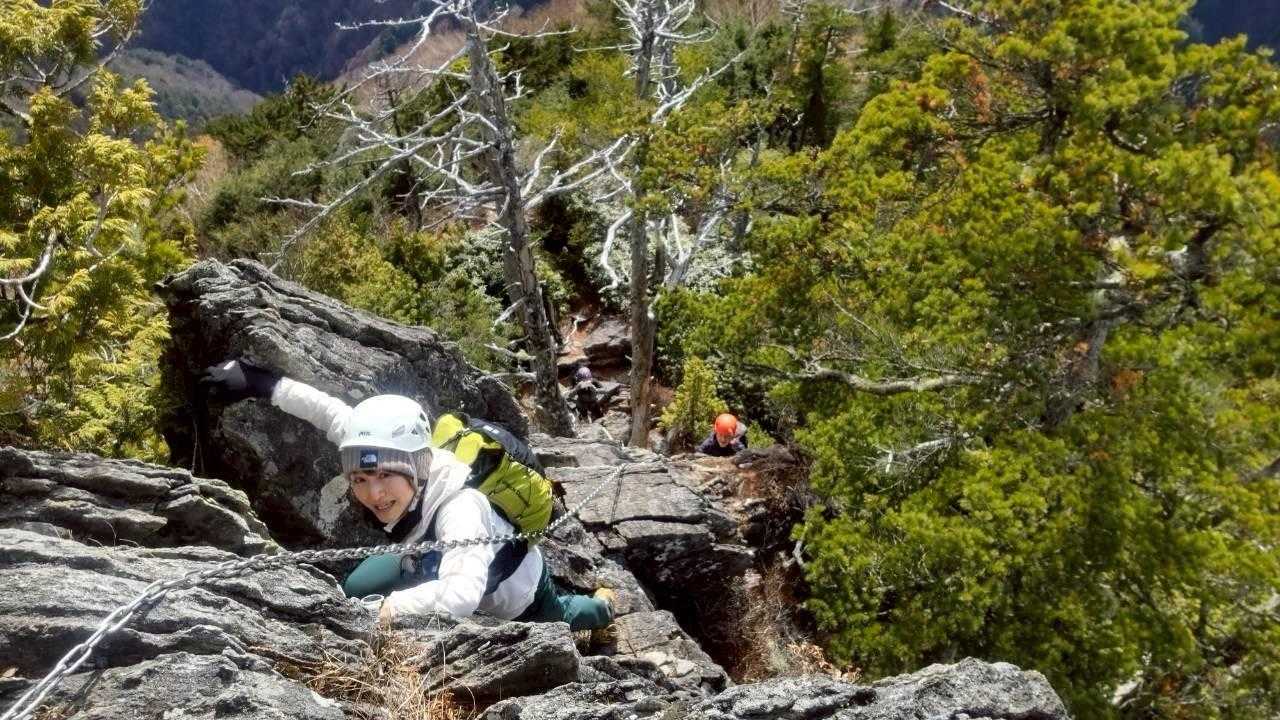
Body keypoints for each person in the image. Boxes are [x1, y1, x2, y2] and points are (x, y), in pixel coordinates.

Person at [200, 359, 615, 632]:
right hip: (425, 557)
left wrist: (389, 611)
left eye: (385, 476)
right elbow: (328, 412)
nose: (374, 492)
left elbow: (461, 596)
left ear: (417, 466)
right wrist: (259, 381)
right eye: (360, 478)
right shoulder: (381, 447)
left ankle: (603, 606)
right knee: (354, 588)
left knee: (563, 615)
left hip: (512, 592)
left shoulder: (462, 508)